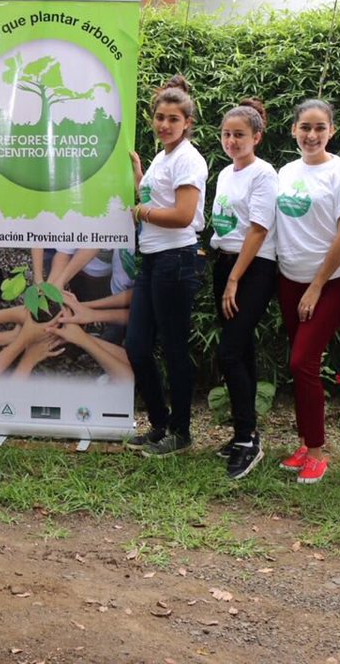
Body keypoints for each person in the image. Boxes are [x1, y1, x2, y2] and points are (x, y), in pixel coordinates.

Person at [274, 98, 340, 484]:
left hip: (328, 283)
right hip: (289, 280)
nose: (311, 135)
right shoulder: (285, 171)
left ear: (332, 131)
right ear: (293, 130)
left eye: (319, 128)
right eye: (305, 127)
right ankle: (306, 442)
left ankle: (316, 452)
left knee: (302, 362)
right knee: (302, 367)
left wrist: (317, 285)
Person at [124, 75, 208, 457]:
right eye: (159, 117)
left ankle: (181, 431)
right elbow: (158, 199)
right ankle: (159, 423)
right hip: (153, 259)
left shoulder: (188, 158)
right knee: (137, 345)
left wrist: (143, 210)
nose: (164, 125)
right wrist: (141, 178)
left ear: (187, 122)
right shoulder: (163, 156)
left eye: (173, 119)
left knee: (173, 349)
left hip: (177, 259)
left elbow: (184, 215)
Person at [208, 98, 278, 479]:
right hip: (225, 264)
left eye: (240, 135)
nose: (232, 141)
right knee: (243, 350)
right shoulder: (225, 173)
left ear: (257, 137)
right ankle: (244, 432)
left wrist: (235, 278)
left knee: (230, 352)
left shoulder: (263, 174)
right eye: (227, 134)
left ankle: (247, 438)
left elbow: (259, 228)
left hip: (253, 269)